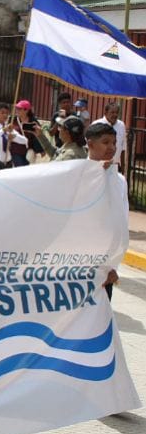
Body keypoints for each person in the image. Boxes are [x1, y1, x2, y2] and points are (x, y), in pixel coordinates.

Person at [85, 122, 126, 300]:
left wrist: (113, 267)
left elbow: (121, 223)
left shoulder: (119, 180)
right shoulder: (76, 174)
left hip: (103, 265)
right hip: (76, 261)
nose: (112, 147)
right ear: (90, 144)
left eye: (114, 143)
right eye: (105, 142)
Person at [0, 103, 27, 170]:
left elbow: (25, 141)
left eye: (7, 113)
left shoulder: (9, 129)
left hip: (8, 163)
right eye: (2, 113)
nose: (5, 115)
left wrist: (14, 136)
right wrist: (2, 131)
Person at [92, 102, 126, 172]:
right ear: (105, 113)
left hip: (115, 167)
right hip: (99, 166)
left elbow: (122, 148)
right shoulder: (96, 124)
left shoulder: (121, 125)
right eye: (112, 112)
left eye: (117, 112)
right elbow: (89, 147)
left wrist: (122, 167)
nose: (115, 115)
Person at [10, 100, 42, 167]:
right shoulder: (13, 120)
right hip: (16, 151)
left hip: (28, 153)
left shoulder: (33, 122)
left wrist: (40, 150)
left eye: (19, 109)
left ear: (26, 110)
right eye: (16, 108)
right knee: (20, 169)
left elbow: (37, 137)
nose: (17, 110)